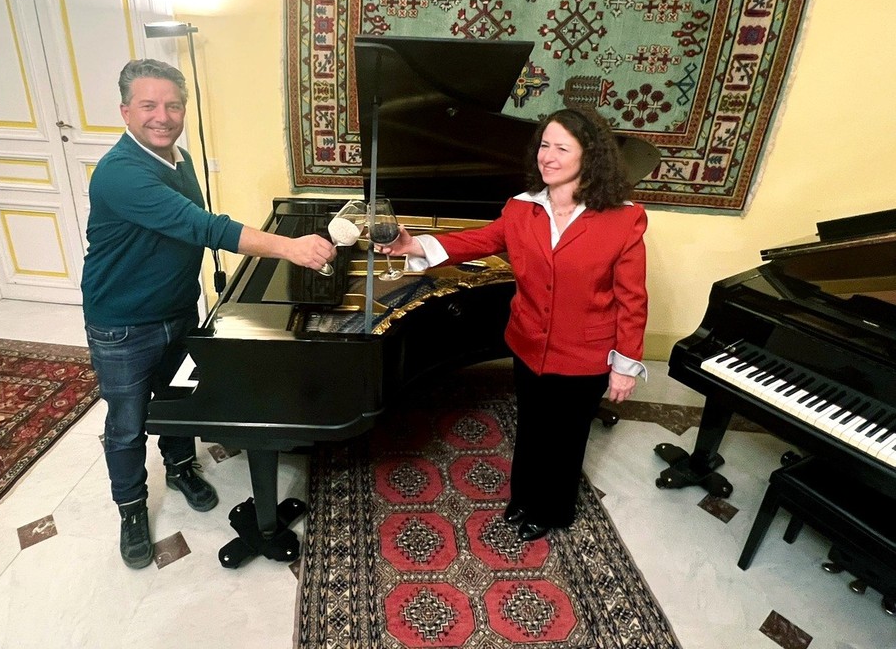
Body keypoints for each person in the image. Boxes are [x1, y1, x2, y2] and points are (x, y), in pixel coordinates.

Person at [81, 58, 336, 568]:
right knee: (127, 424)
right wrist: (290, 248)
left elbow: (192, 225)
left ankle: (180, 467)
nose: (163, 116)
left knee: (178, 398)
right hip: (123, 323)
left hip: (177, 307)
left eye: (173, 105)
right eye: (149, 105)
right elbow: (203, 226)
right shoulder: (119, 174)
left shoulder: (179, 158)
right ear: (125, 111)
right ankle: (131, 510)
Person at [377, 108, 647, 541]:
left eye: (562, 148)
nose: (548, 157)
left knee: (565, 438)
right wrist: (416, 244)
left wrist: (625, 365)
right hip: (527, 344)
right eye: (544, 145)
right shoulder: (521, 208)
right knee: (533, 428)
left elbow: (632, 299)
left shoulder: (623, 219)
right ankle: (524, 497)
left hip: (586, 355)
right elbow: (479, 240)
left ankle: (553, 510)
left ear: (590, 156)